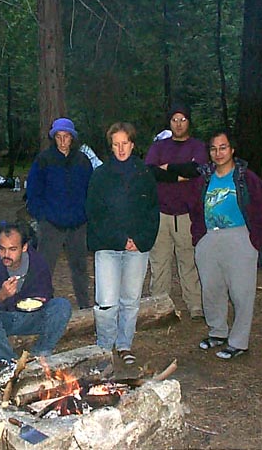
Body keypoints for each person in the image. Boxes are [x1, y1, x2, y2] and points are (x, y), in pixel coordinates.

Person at [189, 129, 262, 360]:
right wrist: (199, 237)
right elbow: (195, 208)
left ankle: (238, 342)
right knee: (212, 289)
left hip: (239, 238)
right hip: (209, 238)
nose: (218, 153)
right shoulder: (205, 179)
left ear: (232, 150)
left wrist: (256, 240)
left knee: (241, 292)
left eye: (223, 147)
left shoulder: (246, 178)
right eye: (213, 149)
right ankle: (217, 332)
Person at [86, 122, 159, 365]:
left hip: (137, 247)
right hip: (108, 246)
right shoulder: (100, 175)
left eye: (124, 143)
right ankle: (105, 348)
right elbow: (95, 214)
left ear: (132, 144)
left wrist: (140, 240)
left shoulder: (144, 174)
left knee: (130, 300)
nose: (121, 149)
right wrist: (119, 239)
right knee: (106, 303)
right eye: (116, 144)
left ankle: (124, 344)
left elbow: (152, 211)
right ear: (111, 146)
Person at [0, 221, 72, 363]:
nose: (6, 254)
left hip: (32, 317)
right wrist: (0, 296)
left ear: (24, 247)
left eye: (12, 249)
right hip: (3, 319)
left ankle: (41, 353)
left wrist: (42, 299)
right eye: (2, 249)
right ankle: (10, 362)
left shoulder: (37, 262)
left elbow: (47, 291)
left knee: (62, 305)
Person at [145, 104, 208, 320]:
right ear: (169, 123)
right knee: (159, 263)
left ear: (189, 122)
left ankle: (195, 305)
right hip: (161, 213)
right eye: (174, 120)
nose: (178, 124)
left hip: (187, 214)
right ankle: (159, 306)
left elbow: (196, 169)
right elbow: (150, 171)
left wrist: (168, 167)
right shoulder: (159, 146)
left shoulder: (197, 146)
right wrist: (179, 174)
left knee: (188, 262)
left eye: (183, 119)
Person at [26, 117, 93, 309]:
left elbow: (91, 189)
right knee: (44, 268)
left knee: (79, 268)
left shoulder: (82, 161)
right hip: (51, 224)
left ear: (72, 138)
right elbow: (33, 191)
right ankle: (41, 306)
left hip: (77, 224)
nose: (63, 141)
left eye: (66, 136)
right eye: (59, 136)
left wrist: (86, 214)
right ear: (54, 138)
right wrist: (42, 215)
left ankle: (84, 306)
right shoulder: (44, 160)